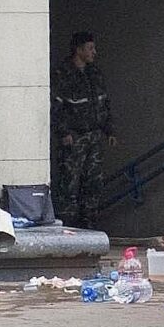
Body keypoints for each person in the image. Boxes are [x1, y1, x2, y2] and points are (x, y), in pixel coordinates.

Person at [51, 30, 114, 228]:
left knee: (93, 184)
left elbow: (104, 104)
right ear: (78, 50)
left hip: (93, 137)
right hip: (74, 139)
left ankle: (89, 225)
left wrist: (109, 130)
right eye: (90, 48)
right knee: (69, 184)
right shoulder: (63, 74)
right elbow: (55, 107)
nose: (94, 52)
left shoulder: (94, 73)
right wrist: (63, 133)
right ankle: (68, 226)